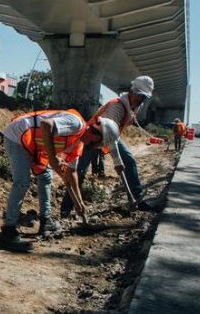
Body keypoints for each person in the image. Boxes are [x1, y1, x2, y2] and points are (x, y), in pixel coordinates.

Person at [0, 109, 123, 253]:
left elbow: (72, 172)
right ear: (97, 135)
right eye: (98, 143)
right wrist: (52, 158)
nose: (96, 146)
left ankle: (46, 222)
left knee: (46, 177)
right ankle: (8, 231)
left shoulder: (78, 144)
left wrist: (79, 202)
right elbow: (46, 125)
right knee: (22, 181)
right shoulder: (76, 124)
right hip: (18, 136)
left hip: (33, 144)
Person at [61, 75, 158, 216]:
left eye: (144, 97)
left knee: (129, 161)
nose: (142, 99)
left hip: (109, 137)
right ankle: (66, 209)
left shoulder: (137, 104)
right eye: (140, 96)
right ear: (132, 91)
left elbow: (113, 135)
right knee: (78, 171)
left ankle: (138, 199)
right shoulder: (117, 106)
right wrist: (117, 162)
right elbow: (108, 137)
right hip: (91, 138)